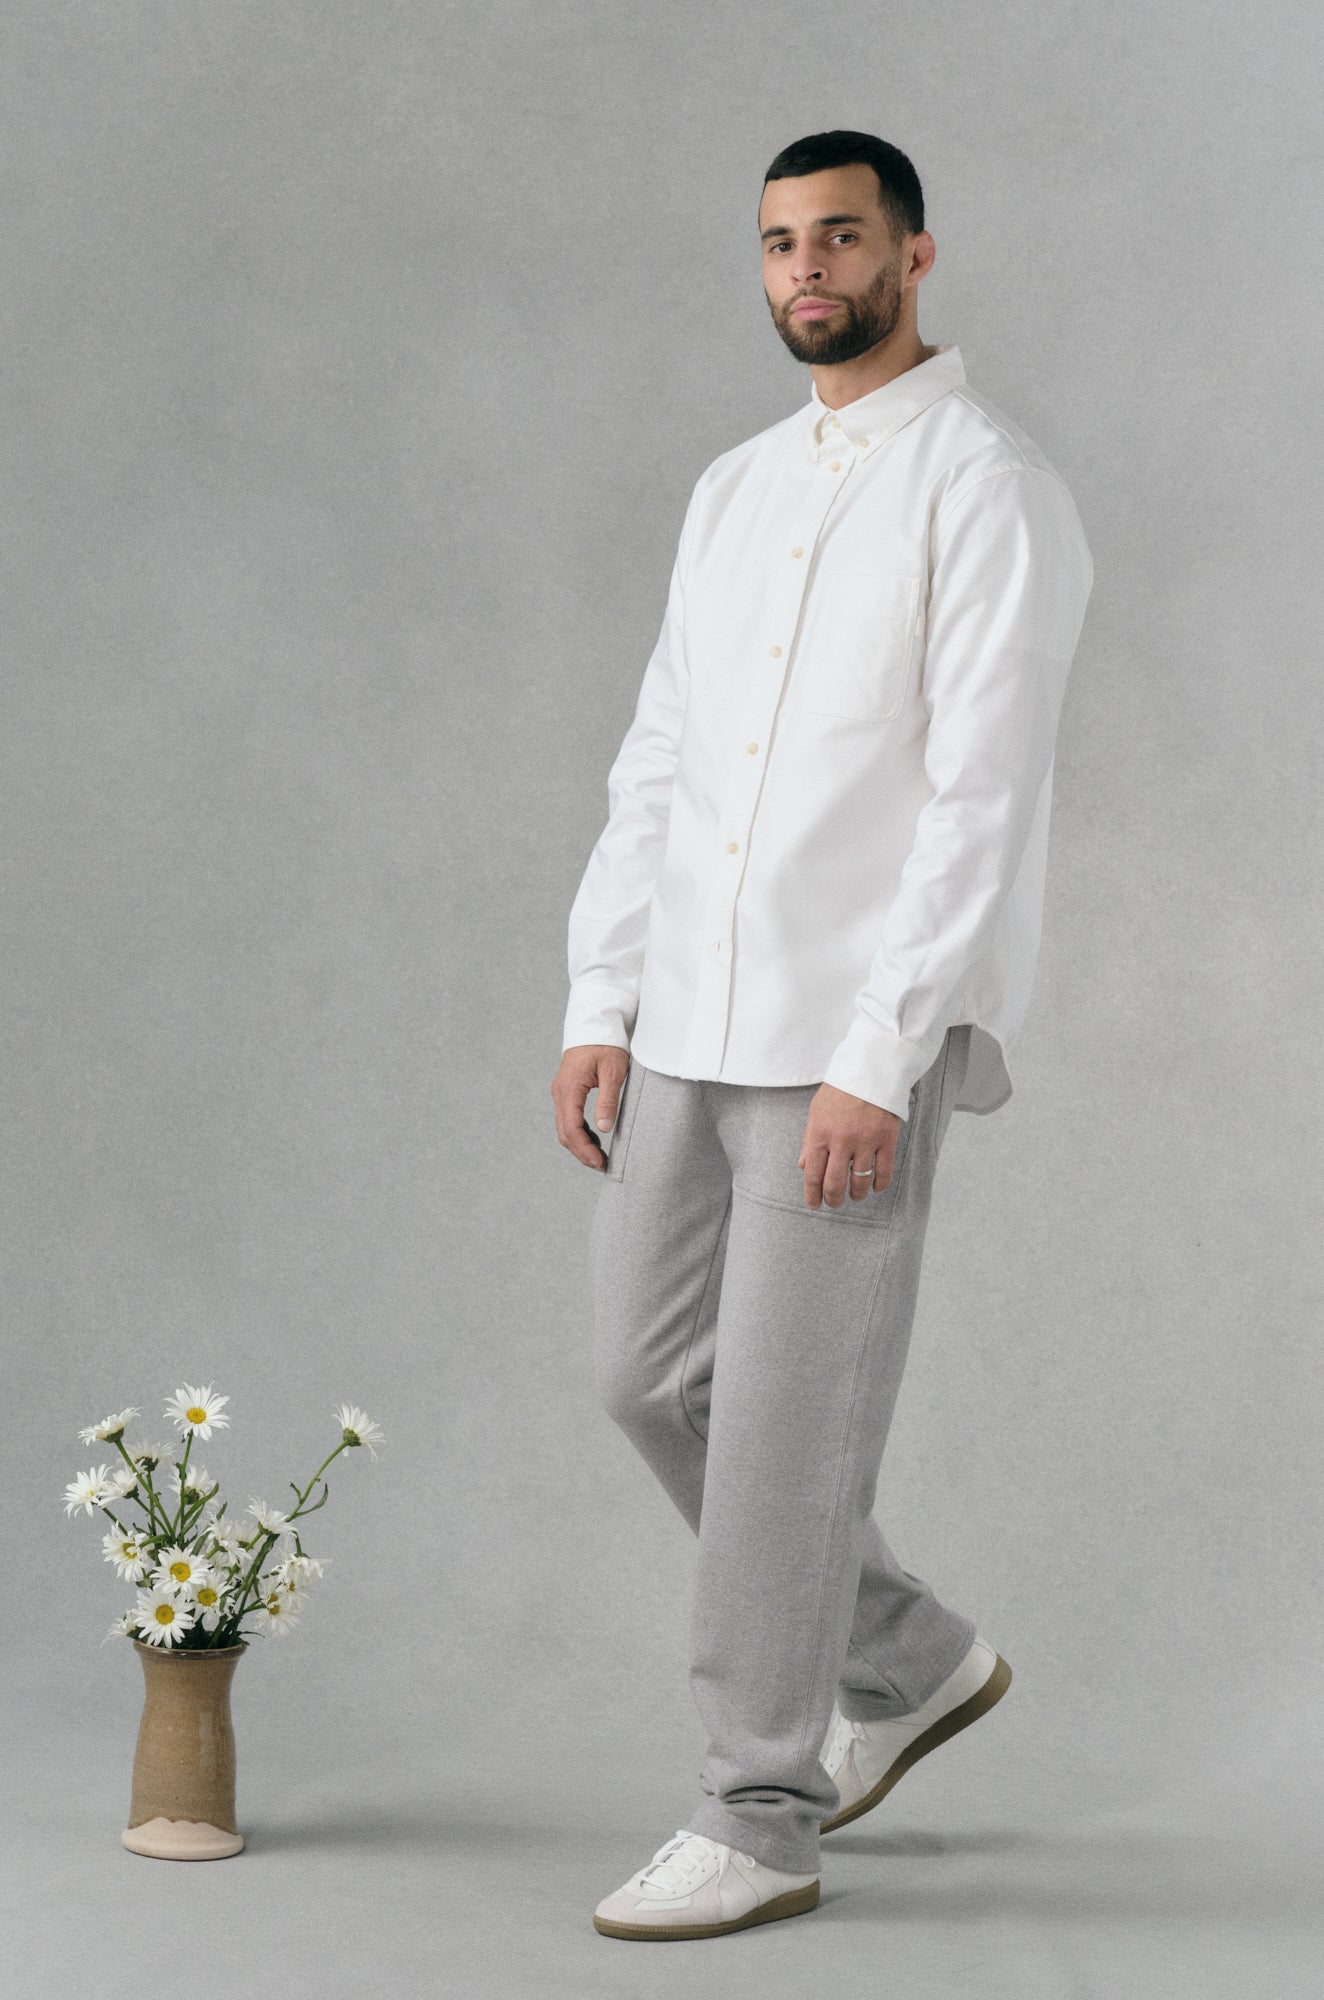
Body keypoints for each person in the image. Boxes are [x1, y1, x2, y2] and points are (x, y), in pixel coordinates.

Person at [551, 128, 1094, 1941]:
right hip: (687, 1020)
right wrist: (602, 996)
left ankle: (759, 1810)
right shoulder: (733, 489)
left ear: (914, 256)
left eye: (842, 236)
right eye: (782, 241)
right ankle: (909, 1657)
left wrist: (884, 1049)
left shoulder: (989, 486)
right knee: (648, 1379)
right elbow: (659, 757)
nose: (808, 269)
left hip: (844, 1043)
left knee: (784, 1437)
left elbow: (982, 797)